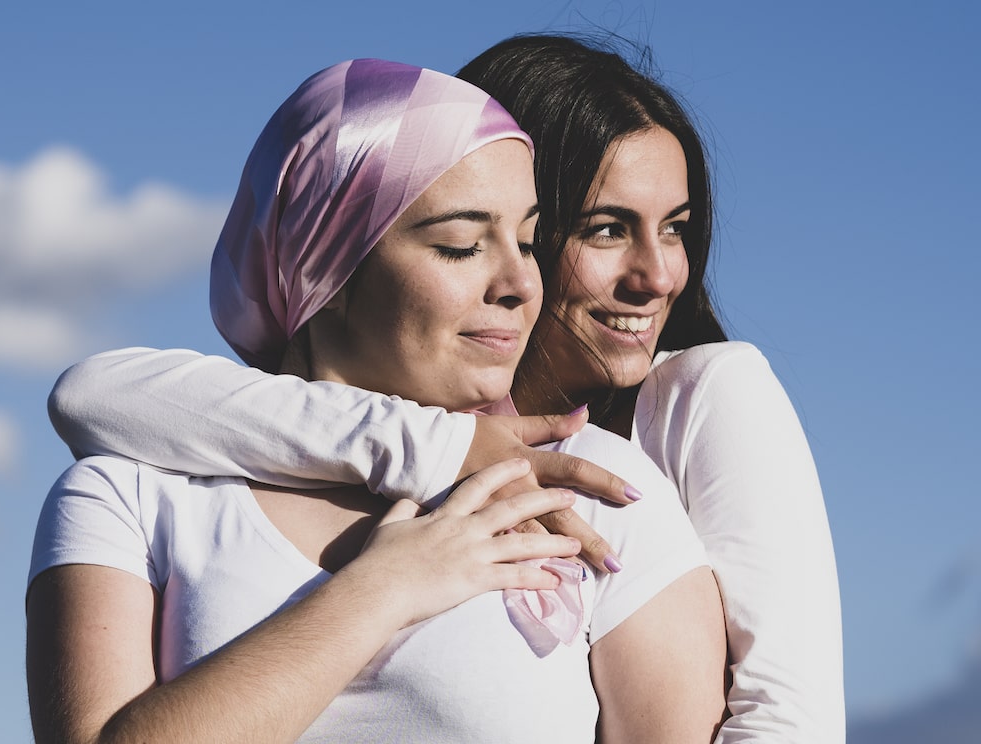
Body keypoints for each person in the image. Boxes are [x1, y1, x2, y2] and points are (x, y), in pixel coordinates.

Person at [47, 34, 842, 741]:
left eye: (527, 241)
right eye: (463, 244)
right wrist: (382, 587)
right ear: (326, 263)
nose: (517, 283)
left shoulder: (606, 490)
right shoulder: (129, 490)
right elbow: (89, 394)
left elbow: (789, 716)